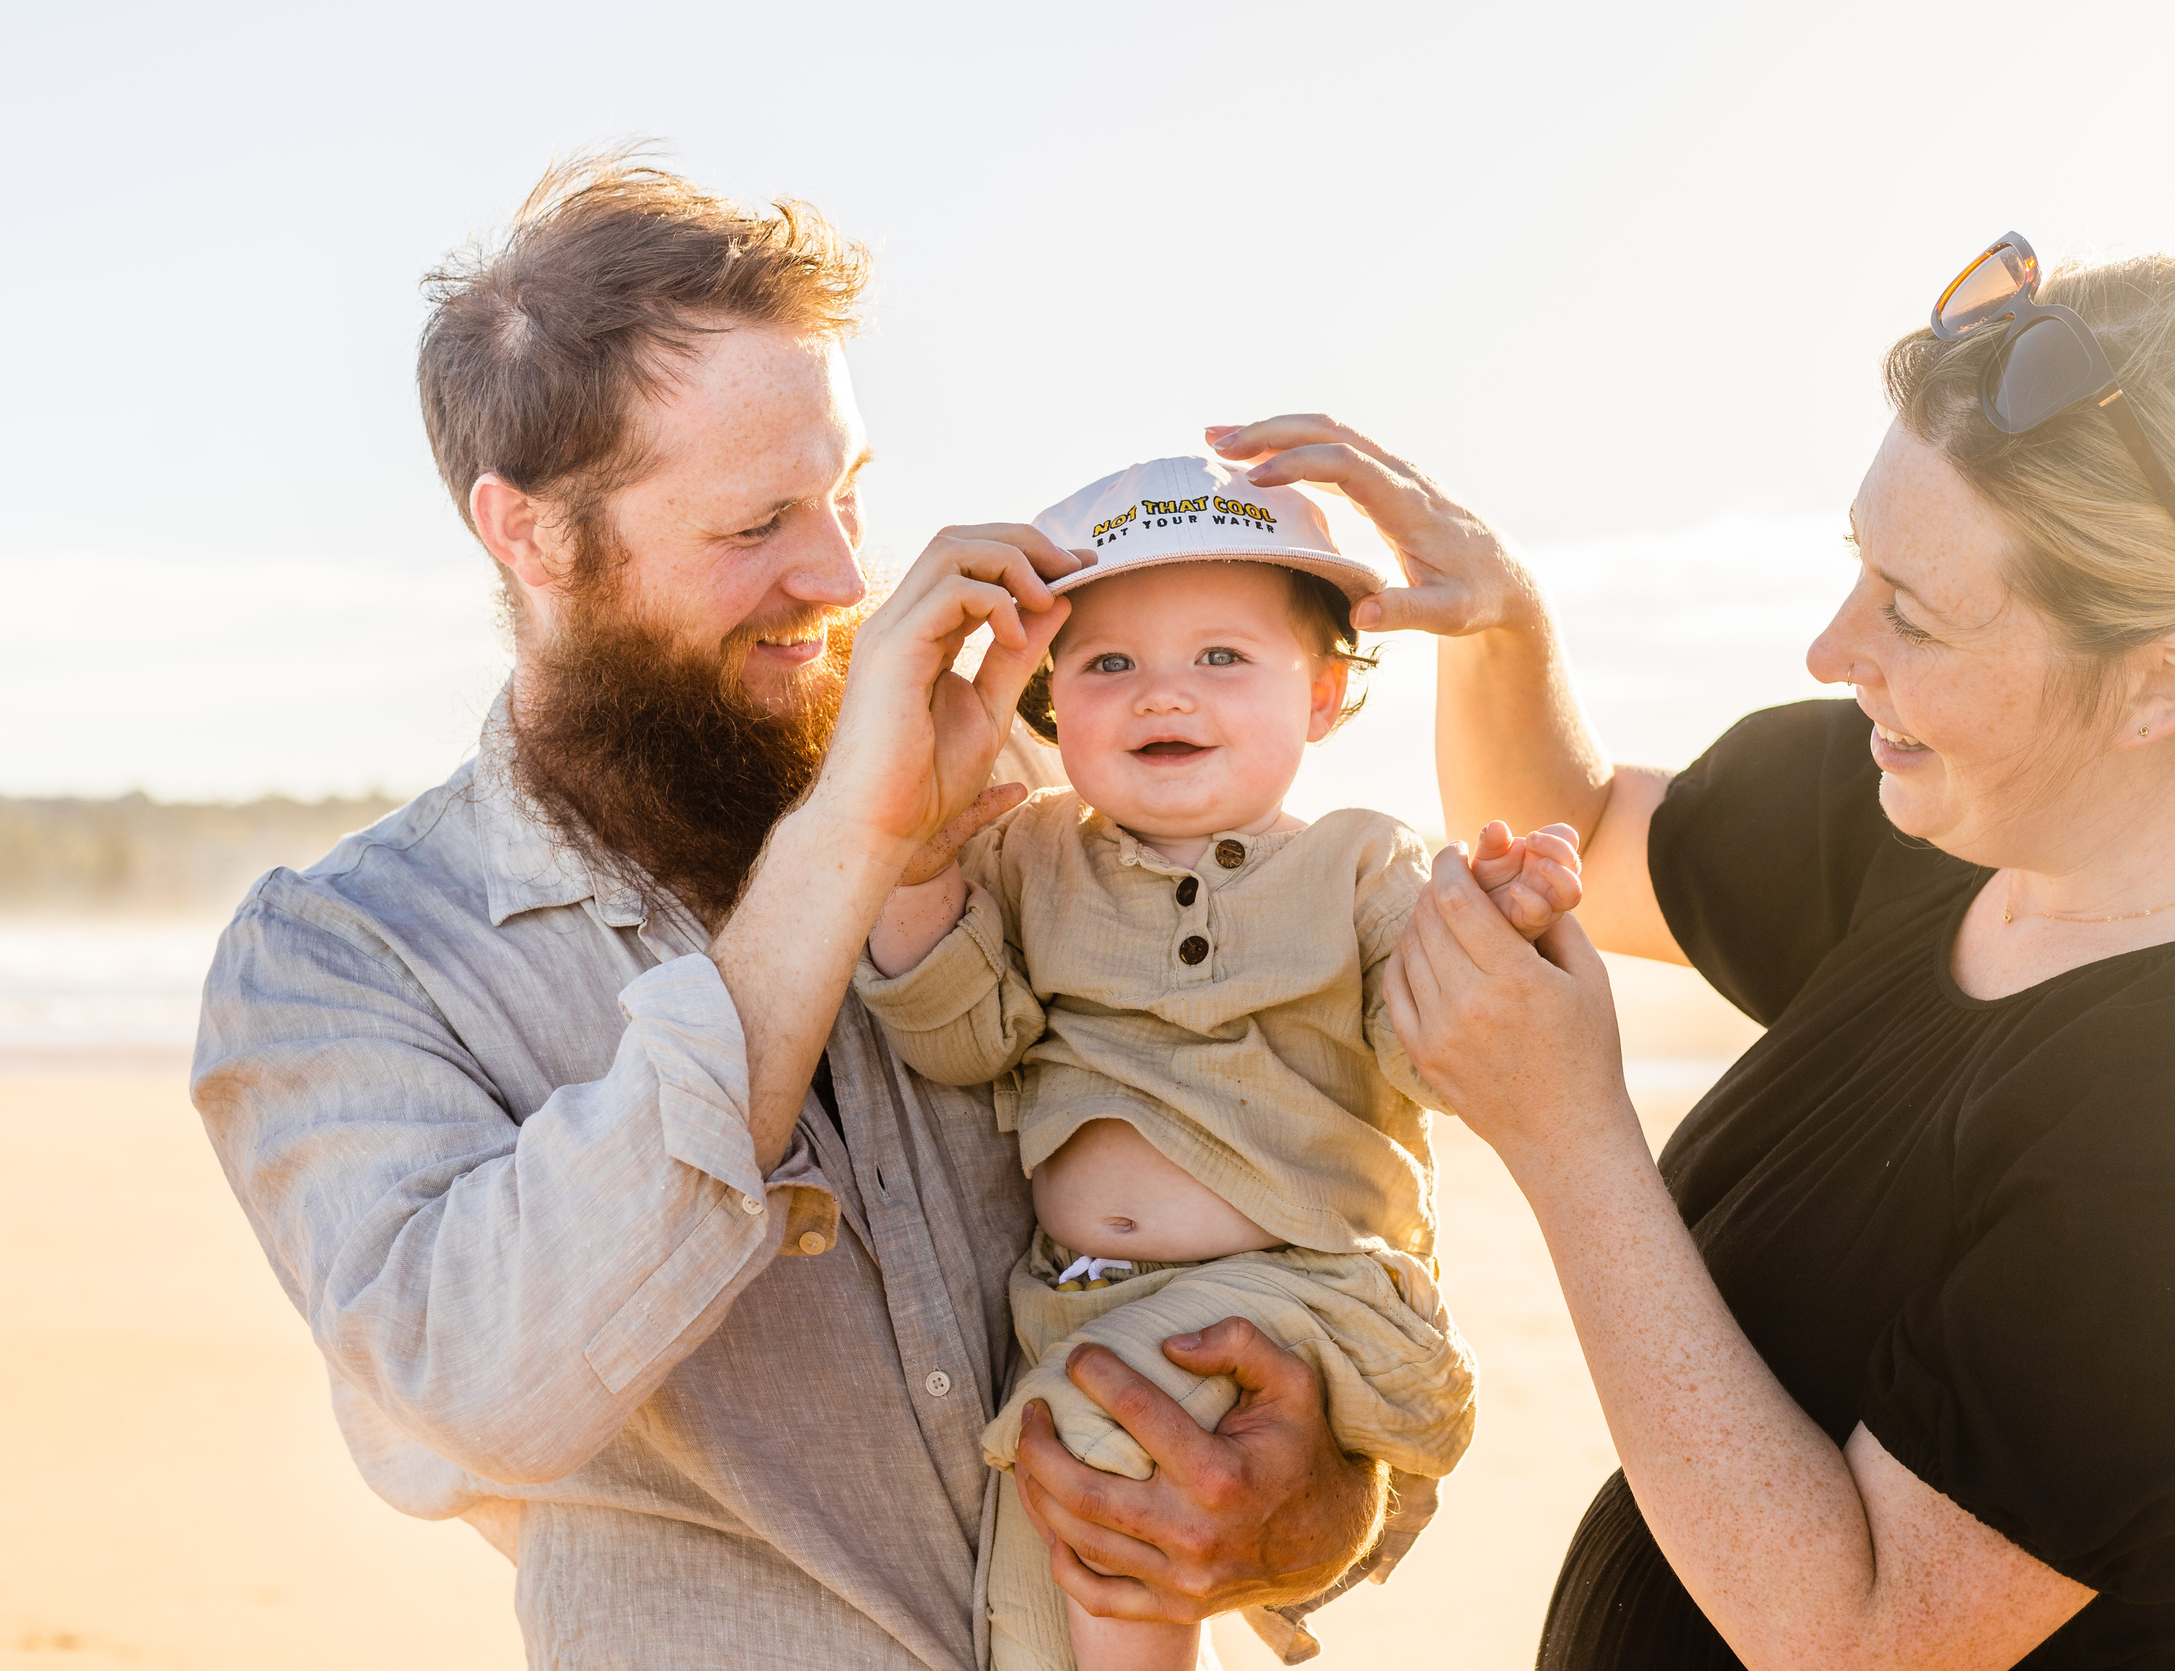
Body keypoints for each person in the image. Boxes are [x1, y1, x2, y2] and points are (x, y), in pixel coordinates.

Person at [189, 154, 1395, 1670]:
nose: (837, 575)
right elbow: (469, 1387)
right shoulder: (339, 955)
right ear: (532, 537)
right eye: (756, 521)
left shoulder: (1035, 798)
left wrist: (1319, 1507)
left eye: (851, 493)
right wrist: (848, 842)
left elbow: (1298, 1181)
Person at [1206, 238, 2175, 1667]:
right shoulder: (1941, 823)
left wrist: (1567, 1131)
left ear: (2158, 683)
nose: (1828, 646)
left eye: (1910, 614)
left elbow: (1859, 1634)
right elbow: (1587, 840)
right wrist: (1501, 625)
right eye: (1861, 565)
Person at [853, 453, 1583, 1671]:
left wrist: (1493, 927)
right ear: (1048, 705)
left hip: (1299, 1292)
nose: (1160, 695)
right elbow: (961, 1040)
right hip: (1076, 1309)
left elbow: (1436, 1047)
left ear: (1323, 693)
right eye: (1108, 665)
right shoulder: (1031, 860)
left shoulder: (1359, 865)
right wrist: (920, 870)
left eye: (1220, 657)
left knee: (1110, 1486)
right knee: (1026, 1604)